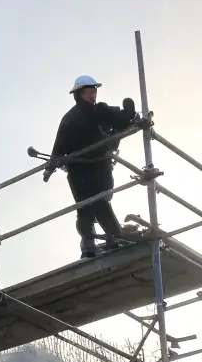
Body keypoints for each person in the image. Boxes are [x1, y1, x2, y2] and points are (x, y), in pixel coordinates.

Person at [44, 75, 141, 259]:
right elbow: (59, 145)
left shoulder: (84, 114)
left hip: (86, 169)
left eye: (94, 91)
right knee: (96, 204)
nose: (93, 94)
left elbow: (120, 120)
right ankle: (109, 238)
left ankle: (91, 243)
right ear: (80, 94)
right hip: (87, 169)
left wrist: (51, 166)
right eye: (90, 91)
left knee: (91, 205)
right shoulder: (84, 115)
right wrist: (129, 112)